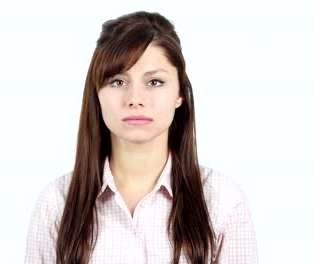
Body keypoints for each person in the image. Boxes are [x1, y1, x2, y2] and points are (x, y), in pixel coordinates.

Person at [24, 11, 258, 264]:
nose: (135, 99)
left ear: (180, 93)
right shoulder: (57, 203)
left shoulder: (222, 200)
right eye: (117, 82)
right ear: (97, 94)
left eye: (155, 82)